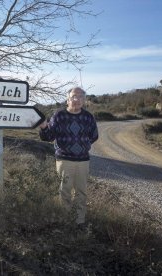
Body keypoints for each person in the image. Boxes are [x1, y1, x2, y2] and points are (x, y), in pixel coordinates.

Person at [39, 87, 98, 230]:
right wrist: (43, 127)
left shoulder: (88, 117)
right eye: (73, 97)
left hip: (83, 160)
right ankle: (65, 221)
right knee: (64, 191)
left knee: (81, 192)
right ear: (68, 99)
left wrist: (81, 145)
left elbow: (94, 136)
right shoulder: (58, 116)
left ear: (84, 100)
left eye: (80, 97)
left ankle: (79, 221)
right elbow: (48, 137)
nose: (76, 100)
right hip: (64, 160)